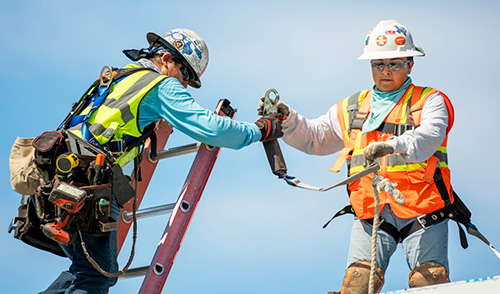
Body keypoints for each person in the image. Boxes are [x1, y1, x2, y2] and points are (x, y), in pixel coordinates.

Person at [39, 28, 283, 294]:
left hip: (57, 179)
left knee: (85, 270)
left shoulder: (119, 77)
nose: (185, 84)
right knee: (96, 277)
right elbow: (213, 129)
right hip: (88, 185)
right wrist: (260, 130)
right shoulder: (158, 86)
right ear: (166, 59)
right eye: (186, 74)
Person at [260, 20, 455, 293]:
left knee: (429, 281)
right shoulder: (352, 107)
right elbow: (316, 138)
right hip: (371, 212)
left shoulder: (429, 101)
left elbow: (429, 137)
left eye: (394, 63)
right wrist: (287, 119)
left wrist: (393, 145)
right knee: (357, 284)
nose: (385, 71)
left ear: (410, 64)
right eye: (378, 64)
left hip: (423, 210)